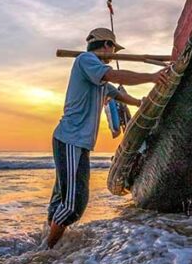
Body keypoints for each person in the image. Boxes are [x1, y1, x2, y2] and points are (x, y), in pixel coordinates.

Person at [46, 27, 167, 248]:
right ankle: (46, 250)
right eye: (112, 49)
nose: (113, 54)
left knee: (65, 197)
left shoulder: (99, 80)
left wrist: (141, 103)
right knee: (73, 205)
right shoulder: (86, 60)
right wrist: (151, 77)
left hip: (77, 143)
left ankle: (50, 236)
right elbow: (113, 75)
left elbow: (120, 94)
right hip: (70, 140)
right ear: (107, 46)